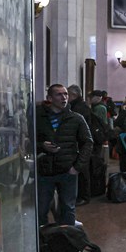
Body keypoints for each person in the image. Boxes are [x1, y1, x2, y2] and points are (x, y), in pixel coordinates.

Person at [35, 83, 92, 225]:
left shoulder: (76, 118)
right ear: (50, 98)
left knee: (68, 208)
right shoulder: (39, 118)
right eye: (59, 94)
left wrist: (77, 167)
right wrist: (42, 146)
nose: (64, 97)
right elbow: (27, 141)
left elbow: (87, 142)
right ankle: (44, 242)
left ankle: (67, 241)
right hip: (45, 171)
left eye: (65, 94)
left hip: (67, 170)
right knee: (41, 209)